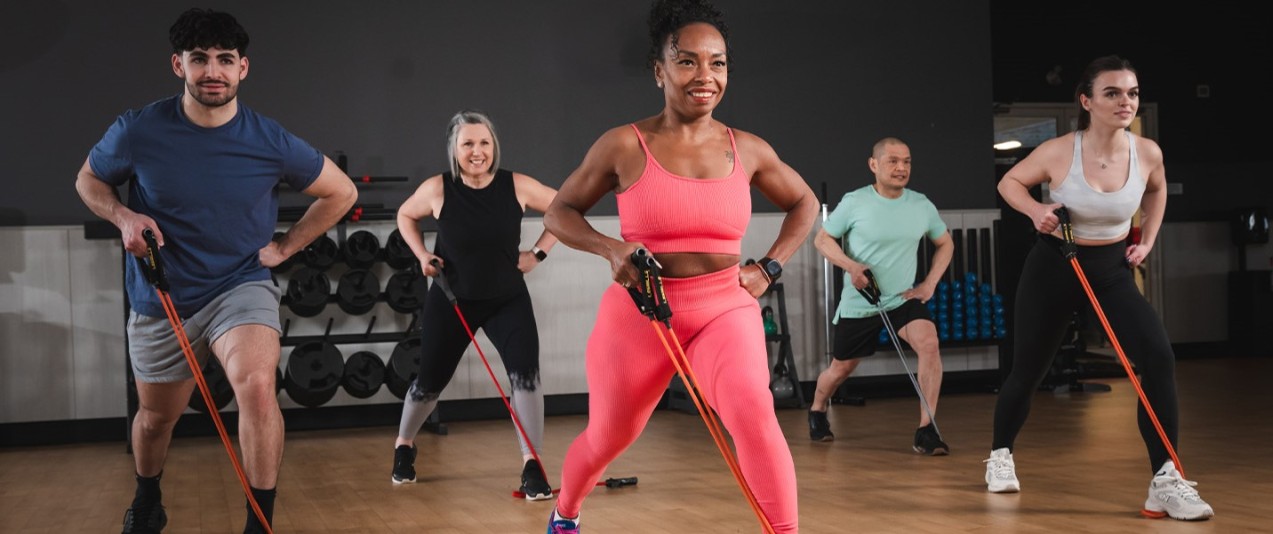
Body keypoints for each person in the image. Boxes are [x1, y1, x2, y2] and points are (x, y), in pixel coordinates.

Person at [74, 8, 357, 533]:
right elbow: (89, 180)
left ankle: (259, 521)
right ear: (177, 64)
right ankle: (147, 495)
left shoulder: (268, 140)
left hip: (239, 285)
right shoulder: (138, 130)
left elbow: (342, 192)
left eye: (225, 60)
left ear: (243, 68)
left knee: (255, 386)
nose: (212, 71)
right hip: (163, 295)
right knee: (157, 419)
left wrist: (286, 247)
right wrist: (124, 215)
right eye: (199, 59)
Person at [542, 0, 818, 531]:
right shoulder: (624, 144)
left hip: (724, 309)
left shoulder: (750, 149)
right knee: (610, 437)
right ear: (659, 70)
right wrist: (612, 249)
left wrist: (770, 267)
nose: (705, 76)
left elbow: (804, 203)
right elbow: (559, 213)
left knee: (754, 416)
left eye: (717, 63)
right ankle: (566, 512)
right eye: (687, 61)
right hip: (640, 312)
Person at [988, 55, 1213, 521]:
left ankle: (1165, 479)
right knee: (1027, 371)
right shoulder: (1057, 151)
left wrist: (1146, 239)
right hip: (1054, 267)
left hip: (1110, 270)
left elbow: (1156, 189)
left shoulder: (1147, 152)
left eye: (1131, 92)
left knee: (1158, 357)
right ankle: (1000, 455)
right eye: (1112, 93)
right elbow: (1010, 182)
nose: (1125, 101)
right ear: (1087, 100)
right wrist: (1035, 211)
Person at [390, 110, 561, 501]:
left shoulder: (516, 185)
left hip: (507, 299)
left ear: (493, 146)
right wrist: (421, 255)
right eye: (468, 143)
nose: (477, 151)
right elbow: (404, 215)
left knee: (526, 377)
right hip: (453, 300)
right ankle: (404, 445)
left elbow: (563, 209)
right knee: (430, 381)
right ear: (455, 148)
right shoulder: (438, 188)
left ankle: (532, 465)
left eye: (484, 143)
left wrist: (538, 253)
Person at [808, 137, 954, 454]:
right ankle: (818, 409)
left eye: (907, 161)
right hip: (861, 303)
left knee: (929, 344)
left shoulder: (921, 204)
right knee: (841, 369)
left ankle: (926, 430)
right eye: (892, 161)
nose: (901, 168)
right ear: (874, 165)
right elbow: (822, 240)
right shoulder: (854, 202)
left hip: (901, 300)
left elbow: (946, 244)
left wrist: (928, 284)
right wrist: (851, 266)